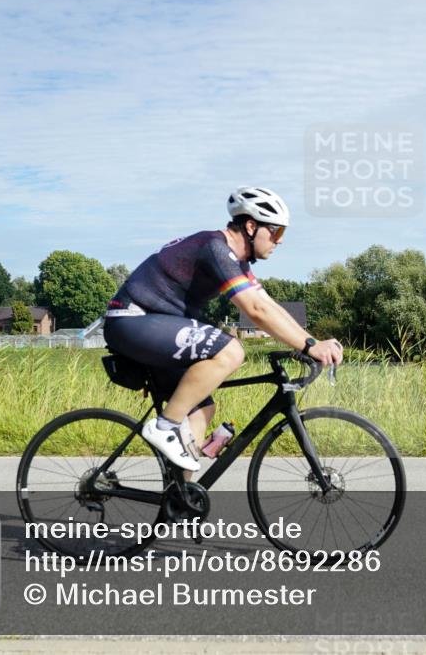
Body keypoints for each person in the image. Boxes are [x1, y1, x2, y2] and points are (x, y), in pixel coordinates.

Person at [103, 186, 344, 472]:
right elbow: (255, 311)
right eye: (277, 232)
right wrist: (309, 346)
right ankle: (164, 426)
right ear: (252, 226)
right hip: (132, 320)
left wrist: (309, 340)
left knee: (201, 411)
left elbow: (269, 305)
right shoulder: (215, 248)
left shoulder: (236, 263)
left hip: (156, 326)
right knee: (231, 350)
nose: (279, 241)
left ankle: (179, 506)